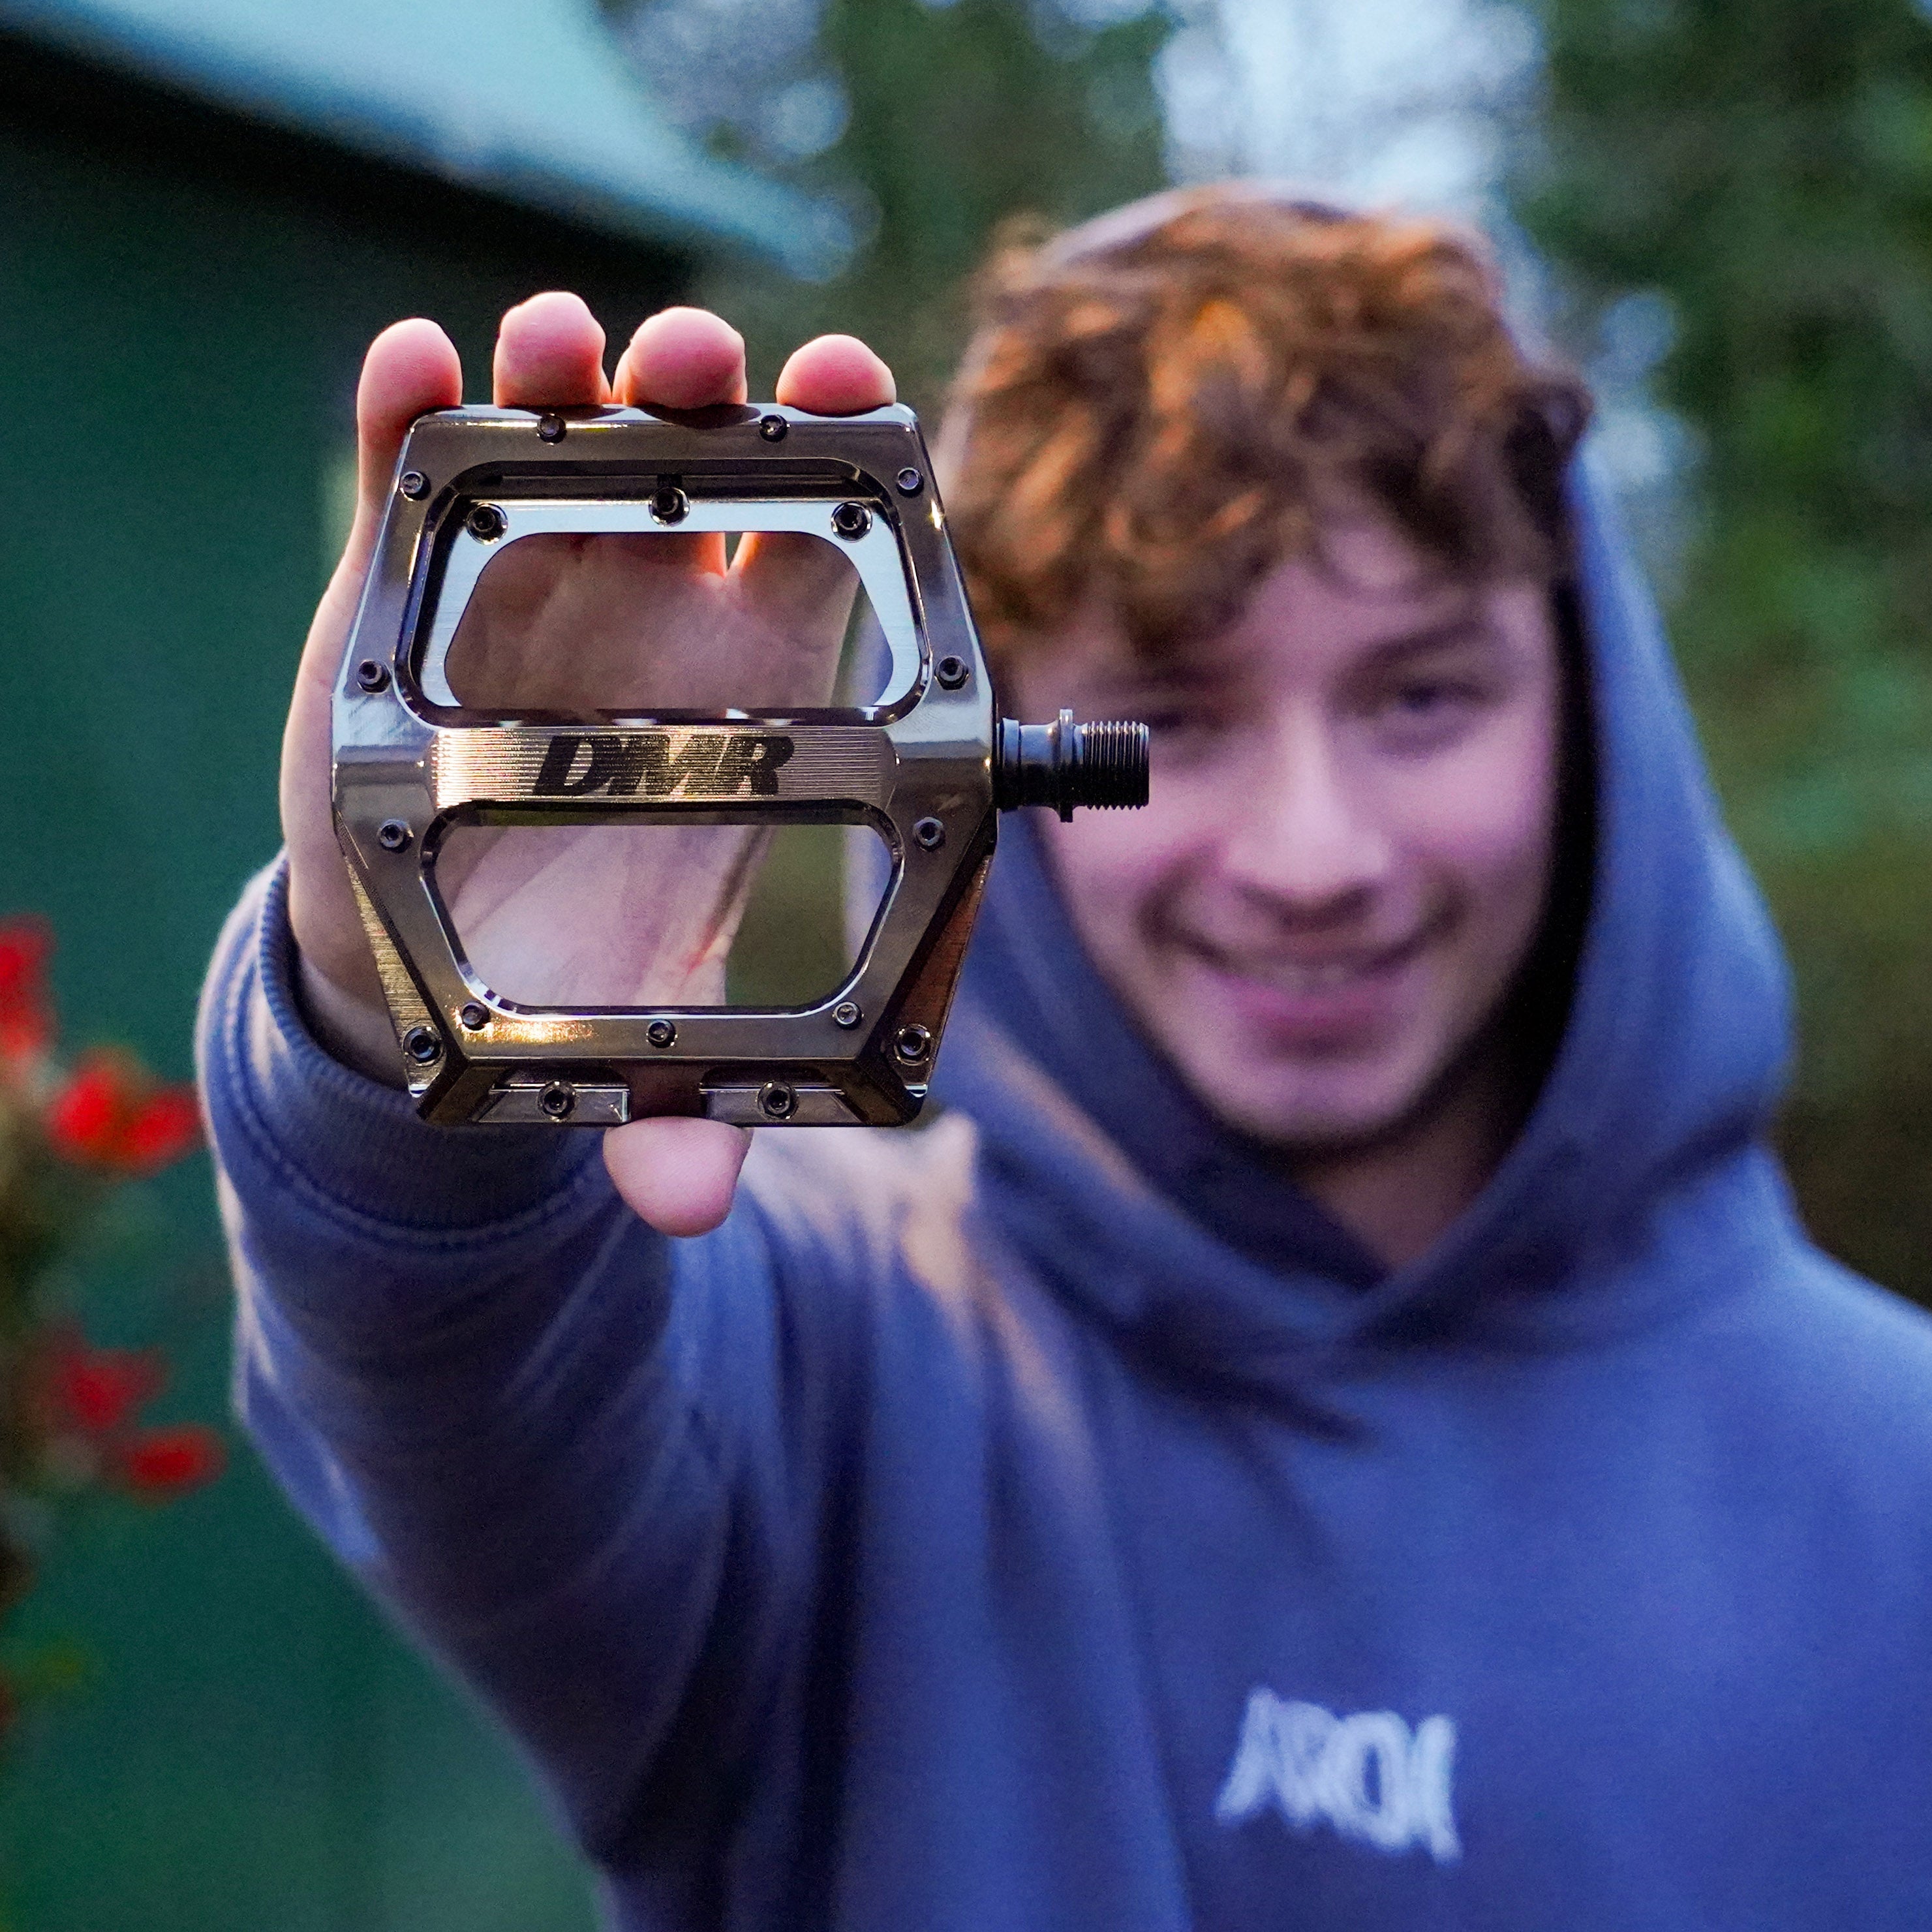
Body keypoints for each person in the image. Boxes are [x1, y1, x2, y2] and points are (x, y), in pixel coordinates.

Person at [199, 186, 1932, 1929]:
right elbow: (475, 1385)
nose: (1312, 853)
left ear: (1593, 714)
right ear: (998, 756)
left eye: (1420, 695)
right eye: (1169, 716)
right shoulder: (836, 1365)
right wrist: (442, 1044)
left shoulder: (1895, 1484)